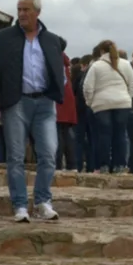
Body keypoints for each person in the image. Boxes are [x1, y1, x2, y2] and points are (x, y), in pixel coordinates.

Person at [0, 0, 66, 222]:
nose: (21, 14)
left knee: (49, 153)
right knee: (16, 156)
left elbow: (59, 71)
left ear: (37, 12)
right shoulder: (5, 37)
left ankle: (42, 202)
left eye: (26, 10)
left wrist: (58, 87)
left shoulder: (52, 40)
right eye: (19, 9)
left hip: (45, 103)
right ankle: (20, 205)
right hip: (16, 101)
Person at [83, 40, 133, 173]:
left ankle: (104, 165)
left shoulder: (96, 66)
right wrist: (126, 97)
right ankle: (119, 165)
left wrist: (90, 102)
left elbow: (87, 87)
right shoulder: (125, 64)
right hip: (122, 103)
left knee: (104, 135)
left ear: (101, 51)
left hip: (102, 104)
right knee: (120, 134)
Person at [55, 38, 79, 171]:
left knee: (56, 133)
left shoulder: (55, 59)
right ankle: (72, 164)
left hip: (58, 97)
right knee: (67, 133)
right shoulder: (65, 61)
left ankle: (57, 164)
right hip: (68, 98)